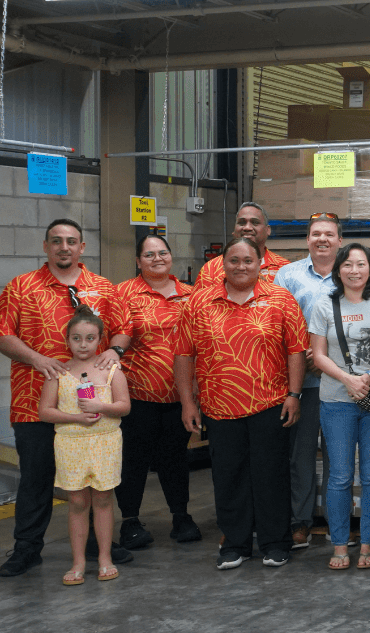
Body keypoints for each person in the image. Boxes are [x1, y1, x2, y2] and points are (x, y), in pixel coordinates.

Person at [0, 218, 133, 578]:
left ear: (82, 247)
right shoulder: (21, 287)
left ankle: (96, 545)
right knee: (36, 478)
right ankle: (27, 548)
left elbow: (124, 326)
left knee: (96, 483)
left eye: (71, 241)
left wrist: (116, 352)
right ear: (45, 246)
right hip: (35, 401)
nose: (64, 247)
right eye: (56, 241)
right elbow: (2, 334)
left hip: (95, 409)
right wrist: (38, 359)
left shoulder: (103, 287)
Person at [174, 236, 308, 570]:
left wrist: (294, 394)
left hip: (270, 403)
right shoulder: (199, 302)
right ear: (222, 263)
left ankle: (275, 542)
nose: (241, 267)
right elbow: (183, 354)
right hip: (219, 407)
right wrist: (188, 403)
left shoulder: (280, 299)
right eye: (233, 260)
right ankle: (234, 543)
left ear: (261, 262)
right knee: (227, 475)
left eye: (248, 260)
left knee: (271, 476)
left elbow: (295, 350)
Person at [309, 243, 370, 570]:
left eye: (361, 264)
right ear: (339, 269)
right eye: (348, 265)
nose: (355, 270)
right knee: (341, 476)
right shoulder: (324, 304)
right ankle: (340, 544)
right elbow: (317, 354)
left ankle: (368, 543)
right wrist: (348, 379)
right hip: (336, 401)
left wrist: (369, 377)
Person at [114, 235, 200, 549]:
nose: (157, 258)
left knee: (175, 458)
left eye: (162, 252)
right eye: (149, 254)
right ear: (138, 261)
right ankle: (130, 521)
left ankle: (181, 515)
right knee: (133, 460)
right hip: (136, 394)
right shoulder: (122, 293)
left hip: (181, 396)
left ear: (171, 256)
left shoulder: (192, 295)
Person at [38, 308, 132, 585]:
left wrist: (101, 407)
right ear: (67, 340)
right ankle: (78, 561)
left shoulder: (111, 370)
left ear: (100, 340)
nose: (83, 344)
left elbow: (124, 406)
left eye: (89, 339)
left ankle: (105, 557)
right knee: (78, 501)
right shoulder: (58, 372)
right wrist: (77, 417)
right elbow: (45, 411)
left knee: (103, 498)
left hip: (105, 442)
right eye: (76, 338)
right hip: (71, 444)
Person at [274, 214, 343, 550]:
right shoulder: (288, 275)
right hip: (301, 382)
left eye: (329, 234)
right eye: (316, 234)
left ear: (339, 241)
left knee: (338, 456)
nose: (322, 239)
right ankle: (299, 522)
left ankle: (337, 521)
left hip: (340, 383)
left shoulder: (352, 273)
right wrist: (306, 363)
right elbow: (277, 325)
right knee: (300, 456)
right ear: (307, 239)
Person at [193, 202, 289, 287]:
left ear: (267, 230)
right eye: (242, 222)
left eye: (255, 223)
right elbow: (197, 305)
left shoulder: (285, 268)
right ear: (234, 231)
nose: (247, 227)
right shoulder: (211, 269)